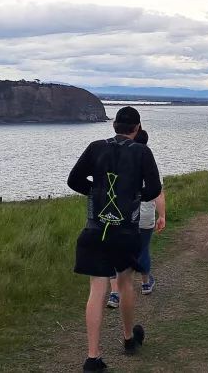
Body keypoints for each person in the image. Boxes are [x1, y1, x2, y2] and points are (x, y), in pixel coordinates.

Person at [67, 106, 163, 372]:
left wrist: (96, 192)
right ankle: (129, 339)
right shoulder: (143, 151)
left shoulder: (95, 147)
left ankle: (93, 357)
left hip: (95, 228)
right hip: (125, 231)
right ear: (137, 128)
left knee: (97, 288)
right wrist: (130, 197)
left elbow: (73, 180)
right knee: (126, 283)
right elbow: (154, 189)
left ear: (114, 126)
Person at [106, 129, 166, 309]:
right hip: (145, 216)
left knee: (115, 252)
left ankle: (115, 294)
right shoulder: (151, 164)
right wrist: (162, 215)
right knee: (143, 249)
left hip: (119, 215)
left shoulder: (118, 162)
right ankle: (146, 283)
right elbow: (158, 193)